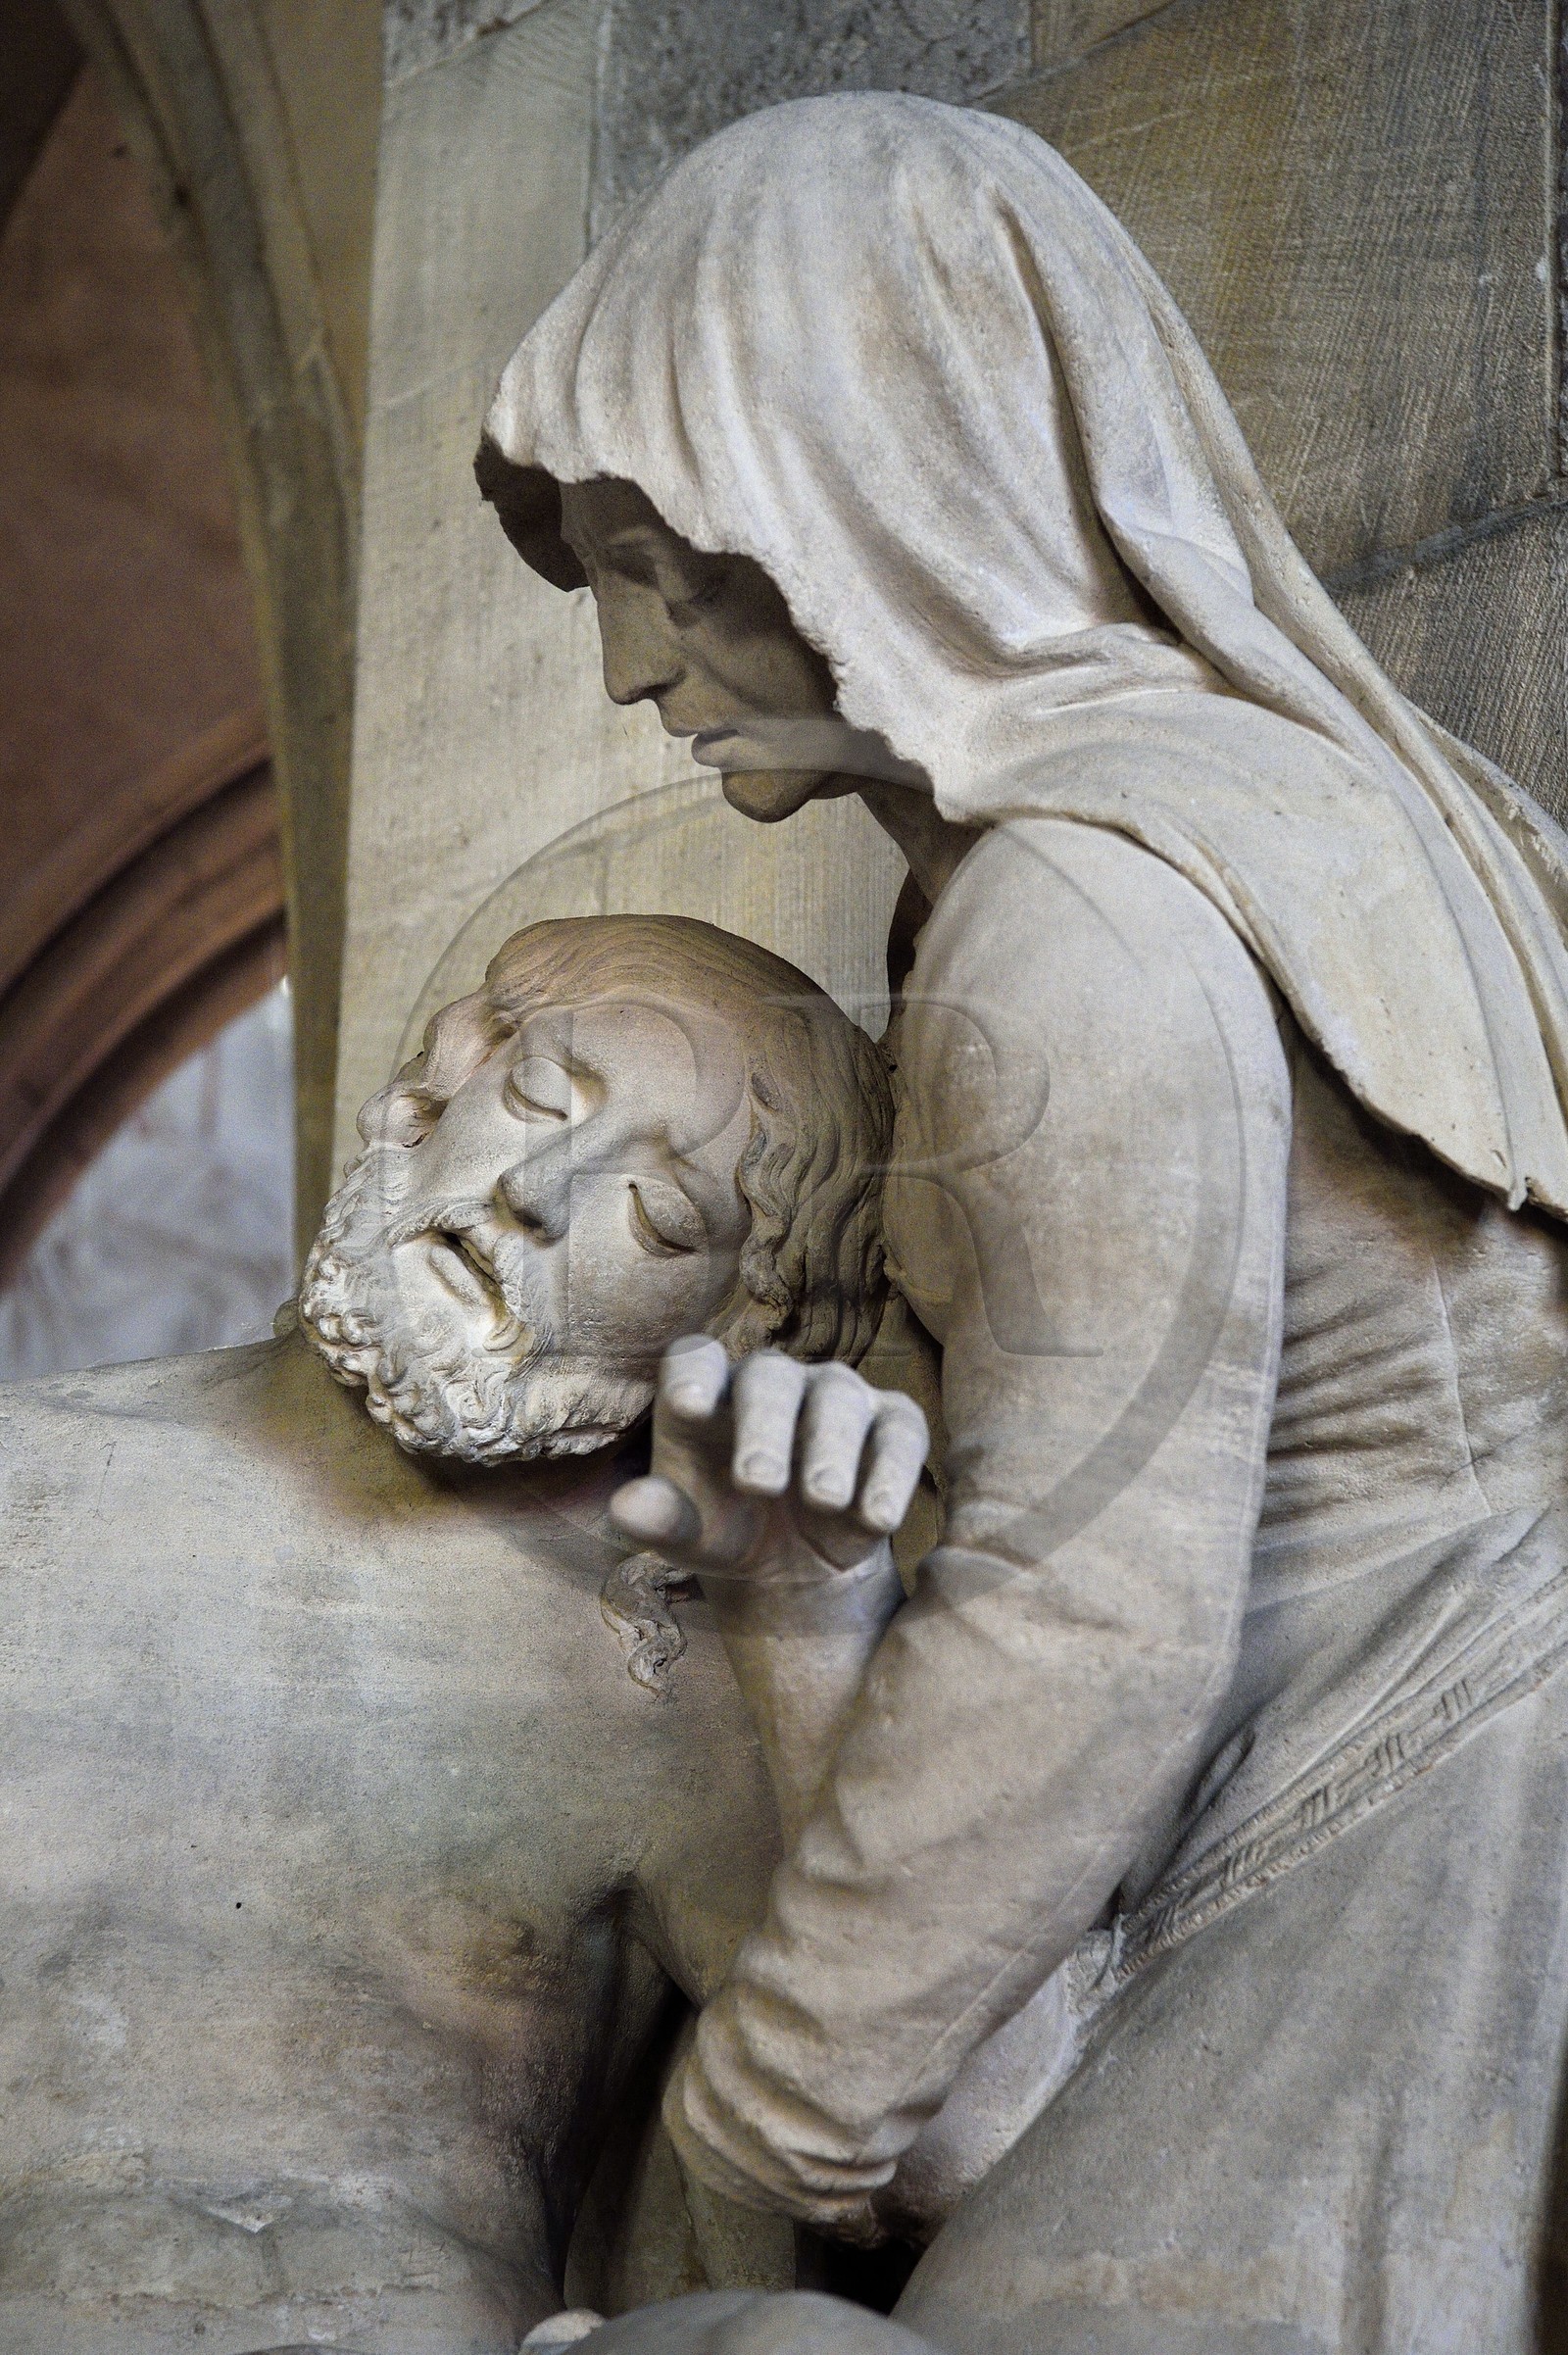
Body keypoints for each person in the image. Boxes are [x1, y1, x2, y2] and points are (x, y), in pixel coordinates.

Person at [475, 92, 1568, 2351]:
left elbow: (1092, 1612)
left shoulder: (1074, 907)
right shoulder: (1401, 822)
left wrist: (762, 2107)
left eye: (666, 566)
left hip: (1378, 1906)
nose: (628, 666)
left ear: (884, 485)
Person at [0, 912, 908, 2355]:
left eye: (662, 1216)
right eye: (544, 1099)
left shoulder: (683, 1680)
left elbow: (934, 2163)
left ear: (735, 1327)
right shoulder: (22, 1480)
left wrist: (813, 1630)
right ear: (434, 1084)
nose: (543, 1191)